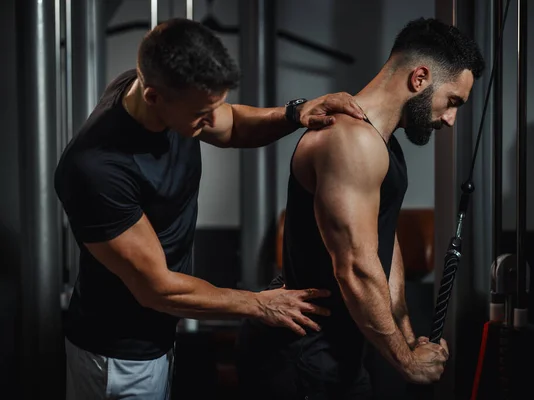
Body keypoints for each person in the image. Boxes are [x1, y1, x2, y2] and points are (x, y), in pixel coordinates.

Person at [54, 18, 366, 400]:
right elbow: (158, 289)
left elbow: (232, 123)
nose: (211, 121)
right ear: (153, 97)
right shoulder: (95, 169)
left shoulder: (159, 92)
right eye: (203, 115)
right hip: (117, 360)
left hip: (156, 340)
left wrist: (294, 114)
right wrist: (257, 304)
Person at [236, 17, 485, 399]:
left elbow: (384, 244)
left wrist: (406, 333)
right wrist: (406, 361)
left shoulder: (383, 143)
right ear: (419, 78)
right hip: (302, 353)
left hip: (340, 350)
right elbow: (354, 267)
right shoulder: (349, 141)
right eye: (452, 102)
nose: (450, 119)